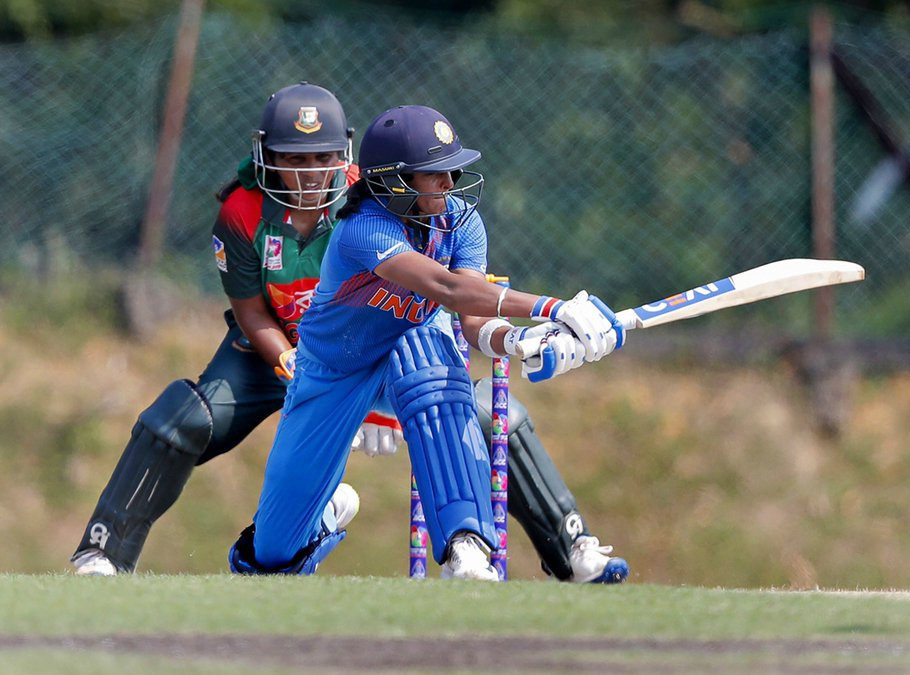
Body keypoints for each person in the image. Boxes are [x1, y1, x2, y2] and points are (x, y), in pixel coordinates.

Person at [72, 84, 627, 584]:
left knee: (470, 400)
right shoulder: (272, 215)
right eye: (293, 159)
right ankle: (106, 550)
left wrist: (514, 339)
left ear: (346, 157)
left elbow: (458, 308)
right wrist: (554, 306)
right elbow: (252, 309)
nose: (311, 172)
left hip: (395, 346)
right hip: (299, 357)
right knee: (196, 434)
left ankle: (540, 547)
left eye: (323, 157)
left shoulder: (419, 205)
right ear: (267, 156)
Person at [228, 104, 625, 581]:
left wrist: (521, 341)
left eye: (452, 169)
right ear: (395, 182)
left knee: (429, 355)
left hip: (414, 348)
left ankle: (467, 546)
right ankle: (322, 514)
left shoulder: (461, 223)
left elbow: (474, 321)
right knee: (272, 554)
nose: (450, 181)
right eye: (434, 173)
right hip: (333, 371)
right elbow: (449, 289)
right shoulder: (363, 229)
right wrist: (556, 307)